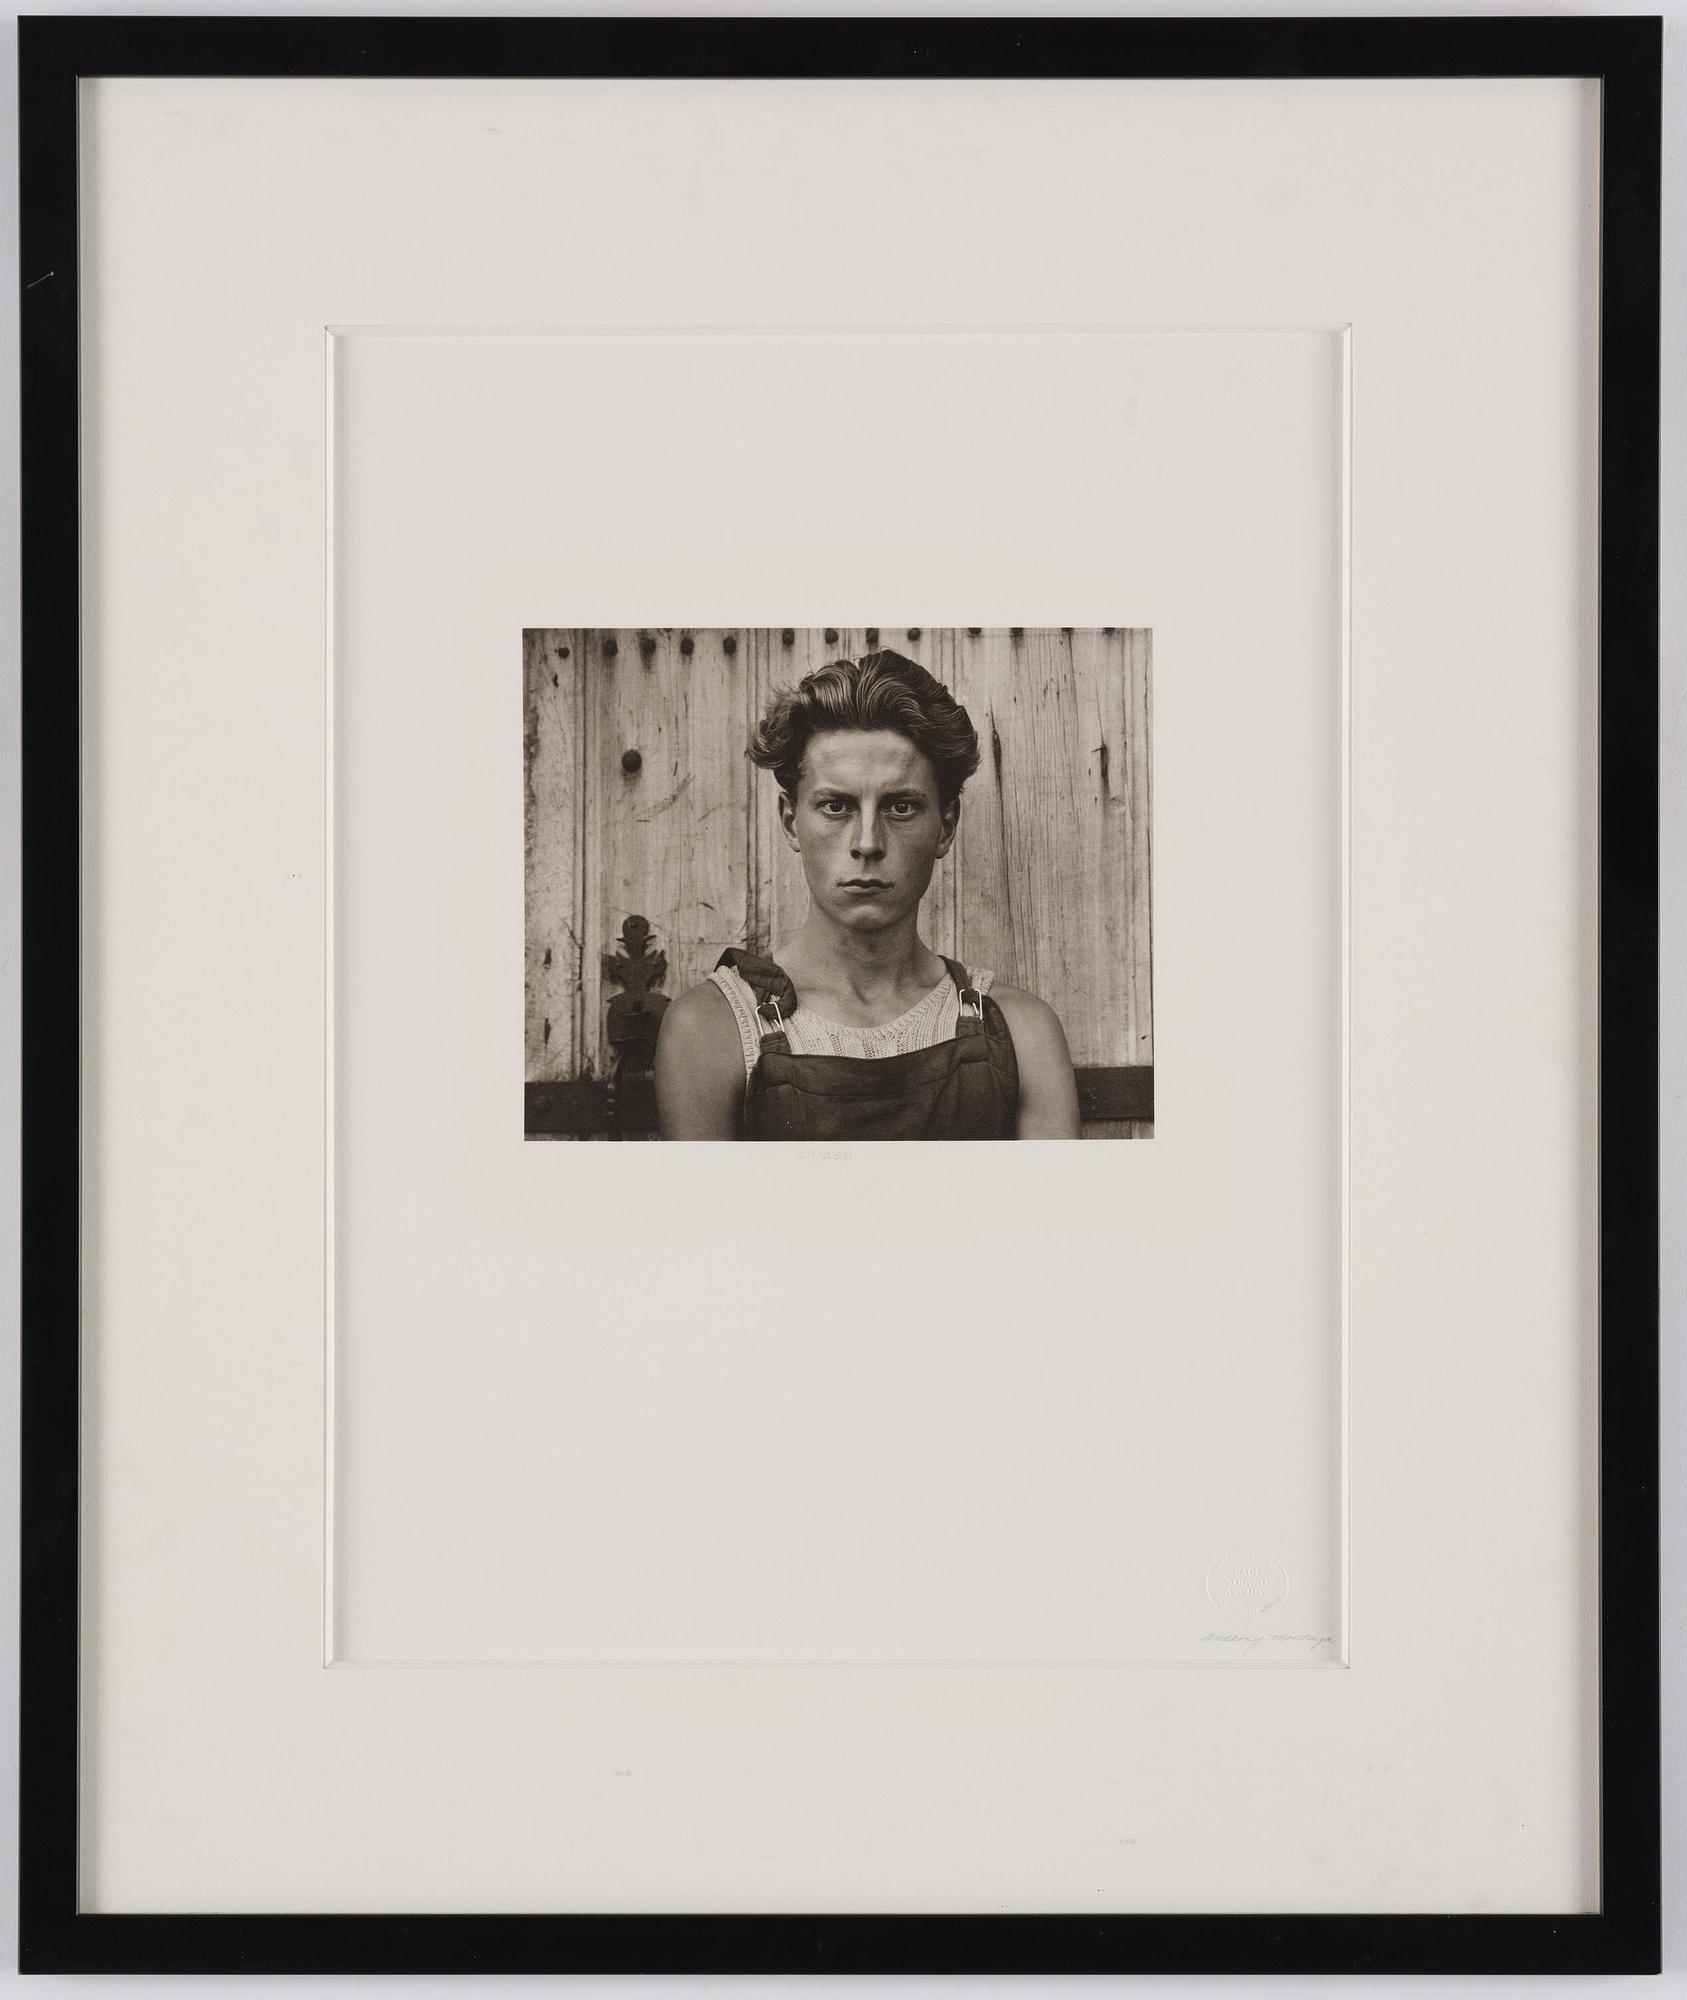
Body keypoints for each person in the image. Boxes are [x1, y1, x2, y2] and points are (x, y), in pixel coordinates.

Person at [655, 650, 1081, 1140]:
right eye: (836, 806)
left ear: (946, 827)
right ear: (791, 821)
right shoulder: (712, 1031)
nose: (867, 843)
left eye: (901, 807)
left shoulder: (1023, 1032)